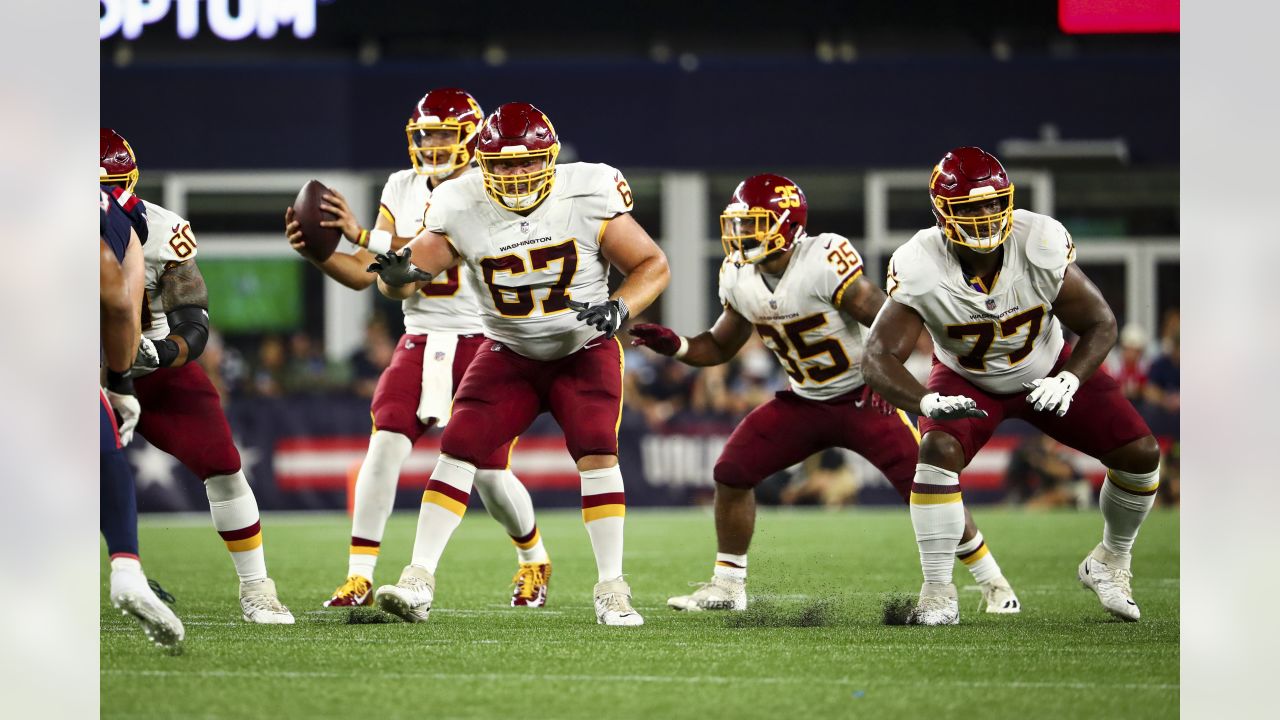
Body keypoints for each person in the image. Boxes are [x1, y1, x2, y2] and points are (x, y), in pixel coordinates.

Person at [629, 174, 1018, 614]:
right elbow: (719, 345)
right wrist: (676, 345)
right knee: (731, 471)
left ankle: (993, 583)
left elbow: (890, 319)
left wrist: (887, 377)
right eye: (739, 223)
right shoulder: (738, 276)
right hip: (804, 400)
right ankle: (727, 586)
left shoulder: (823, 261)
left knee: (928, 487)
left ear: (789, 225)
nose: (742, 234)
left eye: (755, 223)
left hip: (863, 399)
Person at [369, 101, 670, 625]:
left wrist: (620, 305)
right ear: (482, 163)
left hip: (582, 349)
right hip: (508, 350)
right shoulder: (460, 202)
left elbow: (652, 264)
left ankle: (611, 587)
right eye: (502, 164)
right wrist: (395, 275)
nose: (514, 173)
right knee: (459, 447)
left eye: (526, 161)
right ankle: (418, 578)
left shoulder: (588, 191)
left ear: (550, 158)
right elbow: (403, 276)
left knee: (598, 449)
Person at [863, 147, 1161, 625]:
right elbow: (876, 357)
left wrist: (1070, 378)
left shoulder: (1038, 241)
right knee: (936, 452)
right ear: (943, 213)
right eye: (969, 208)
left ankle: (1110, 561)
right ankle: (938, 593)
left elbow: (1101, 322)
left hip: (1046, 366)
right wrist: (925, 399)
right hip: (968, 378)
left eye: (991, 203)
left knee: (1141, 455)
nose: (984, 217)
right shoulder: (920, 263)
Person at [285, 89, 552, 608]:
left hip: (483, 339)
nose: (432, 144)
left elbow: (428, 253)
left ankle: (533, 558)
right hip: (421, 335)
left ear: (472, 137)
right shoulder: (402, 185)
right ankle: (360, 575)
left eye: (444, 134)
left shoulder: (485, 187)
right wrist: (319, 255)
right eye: (425, 134)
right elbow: (371, 273)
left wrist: (361, 232)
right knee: (384, 445)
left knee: (491, 475)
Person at [102, 129, 294, 624]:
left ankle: (257, 586)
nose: (103, 199)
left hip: (152, 370)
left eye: (112, 185)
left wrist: (166, 351)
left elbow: (195, 321)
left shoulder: (163, 230)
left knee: (223, 464)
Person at [100, 185, 184, 650]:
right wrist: (119, 381)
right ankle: (126, 568)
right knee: (105, 449)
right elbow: (116, 299)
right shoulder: (108, 214)